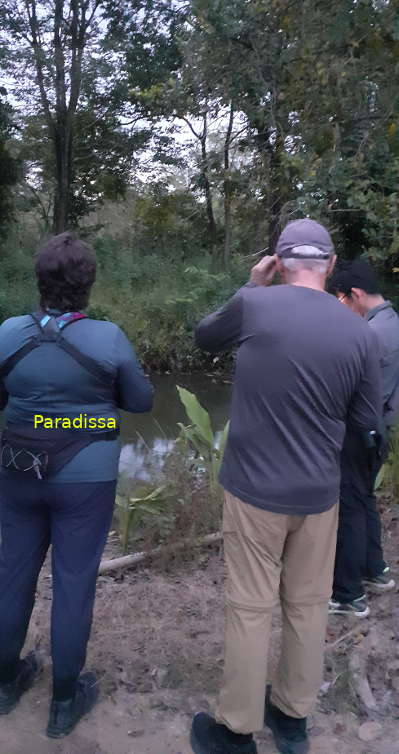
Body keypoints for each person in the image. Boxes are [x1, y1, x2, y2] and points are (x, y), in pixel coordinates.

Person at [190, 219, 382, 754]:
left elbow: (205, 337)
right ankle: (293, 720)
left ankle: (236, 728)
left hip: (253, 492)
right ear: (330, 263)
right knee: (308, 604)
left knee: (251, 608)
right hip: (320, 495)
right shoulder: (359, 333)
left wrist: (253, 283)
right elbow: (365, 423)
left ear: (277, 260)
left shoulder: (256, 304)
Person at [0, 232, 153, 738]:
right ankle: (64, 702)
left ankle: (5, 685)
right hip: (86, 477)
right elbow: (141, 401)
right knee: (72, 583)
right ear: (88, 284)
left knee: (12, 575)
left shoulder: (8, 333)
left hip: (19, 470)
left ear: (39, 281)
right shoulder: (107, 338)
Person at [329, 258, 398, 618]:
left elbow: (348, 393)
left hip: (359, 434)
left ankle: (347, 595)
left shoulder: (368, 334)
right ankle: (375, 572)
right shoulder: (392, 323)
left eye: (340, 300)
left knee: (350, 509)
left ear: (354, 295)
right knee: (365, 501)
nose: (340, 308)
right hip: (379, 432)